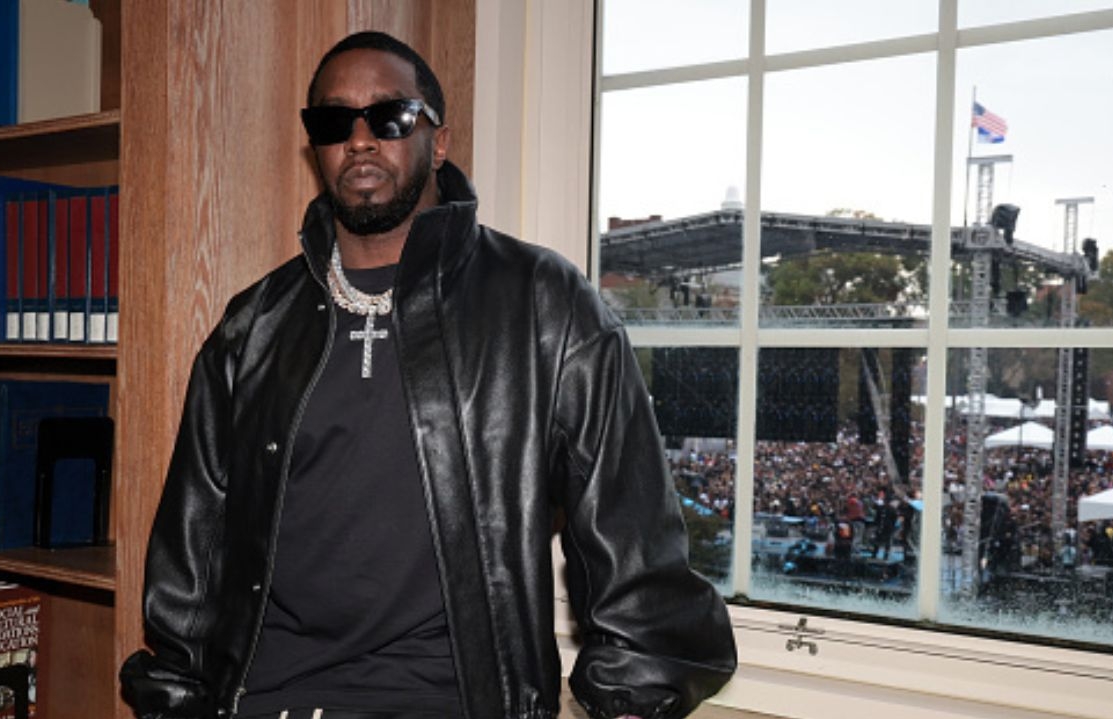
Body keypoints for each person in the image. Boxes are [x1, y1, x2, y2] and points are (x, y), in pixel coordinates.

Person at [118, 31, 737, 719]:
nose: (360, 140)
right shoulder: (253, 327)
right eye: (333, 121)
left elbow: (637, 561)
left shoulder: (544, 305)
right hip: (268, 700)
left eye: (389, 116)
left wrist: (630, 699)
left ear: (438, 142)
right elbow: (192, 559)